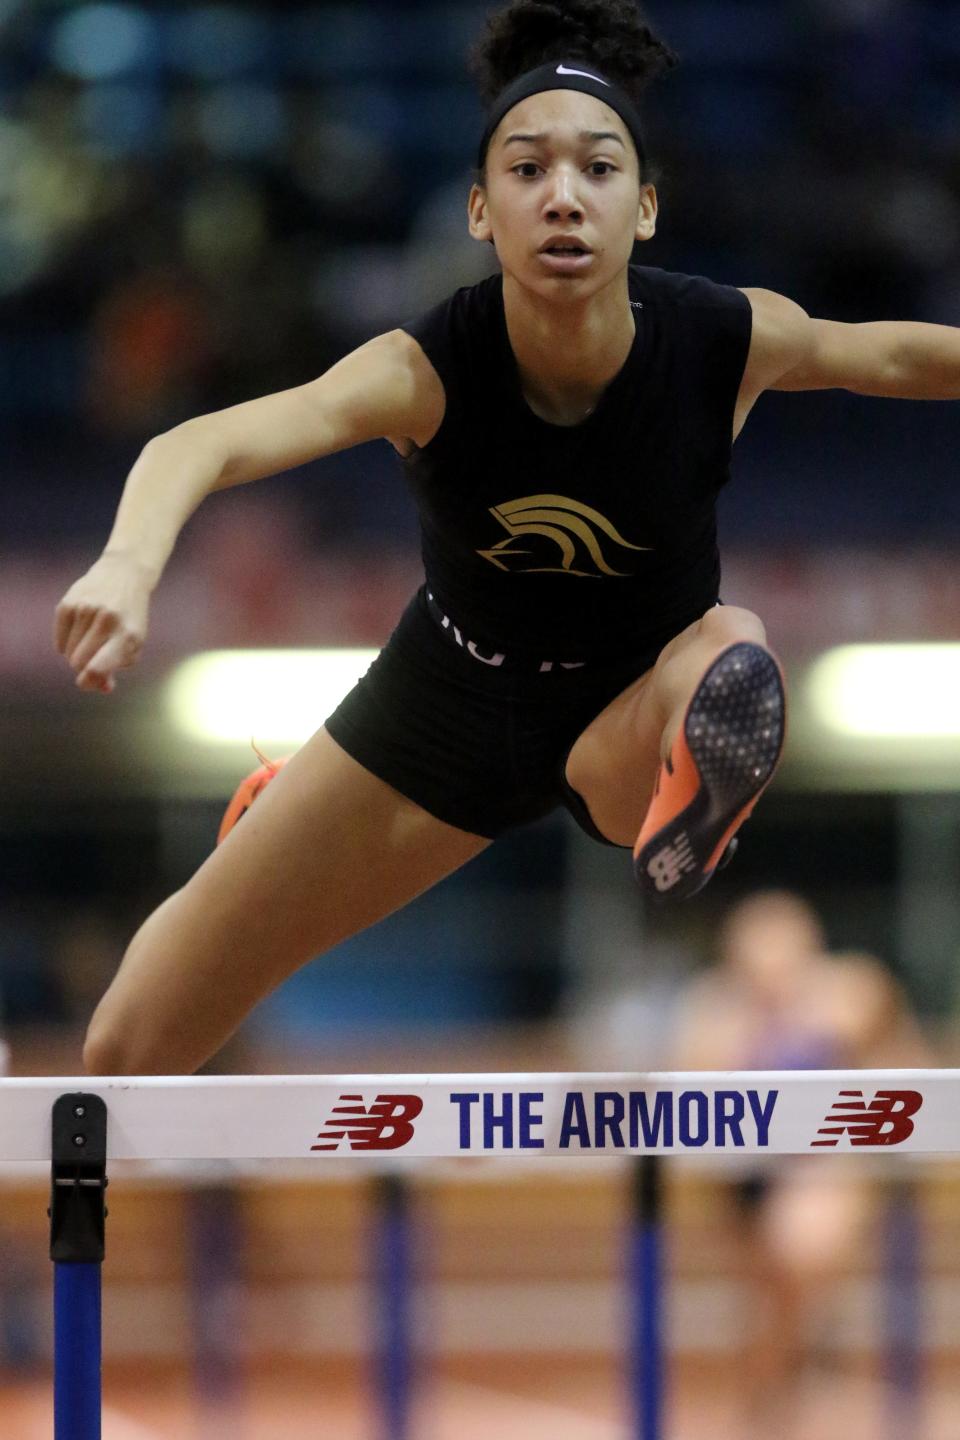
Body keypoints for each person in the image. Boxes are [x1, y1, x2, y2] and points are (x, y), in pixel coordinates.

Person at [54, 0, 960, 1077]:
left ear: (648, 207)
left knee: (731, 642)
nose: (564, 197)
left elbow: (897, 357)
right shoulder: (426, 369)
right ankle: (289, 809)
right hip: (442, 710)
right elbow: (203, 441)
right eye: (528, 171)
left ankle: (694, 800)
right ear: (481, 211)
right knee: (124, 1050)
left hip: (629, 715)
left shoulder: (724, 337)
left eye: (599, 169)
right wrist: (128, 561)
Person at [673, 891, 933, 1433]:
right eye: (756, 968)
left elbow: (913, 1068)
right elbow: (688, 1109)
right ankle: (775, 1396)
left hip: (826, 1164)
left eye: (784, 964)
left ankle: (799, 1369)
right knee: (768, 1305)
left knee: (802, 1252)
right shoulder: (713, 1009)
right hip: (748, 1175)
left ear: (810, 955)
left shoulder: (854, 991)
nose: (771, 981)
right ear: (735, 964)